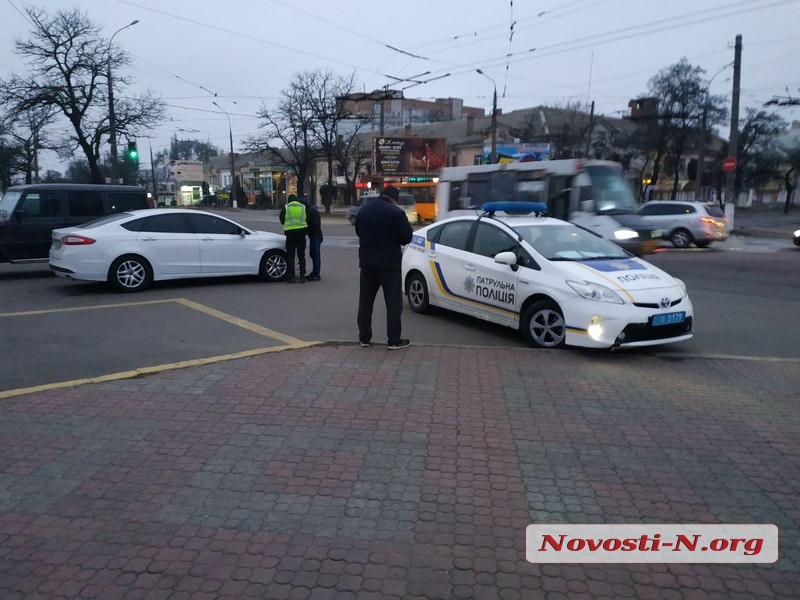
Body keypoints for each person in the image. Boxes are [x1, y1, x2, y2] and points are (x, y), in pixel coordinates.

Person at [355, 185, 414, 350]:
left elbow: (359, 231)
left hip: (367, 264)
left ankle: (364, 338)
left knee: (366, 302)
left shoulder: (364, 211)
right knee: (393, 304)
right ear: (394, 199)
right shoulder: (396, 213)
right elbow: (406, 237)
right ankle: (394, 340)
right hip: (389, 265)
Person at [279, 194, 308, 283]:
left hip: (290, 234)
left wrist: (289, 224)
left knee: (291, 256)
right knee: (301, 255)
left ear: (289, 200)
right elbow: (307, 218)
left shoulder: (286, 207)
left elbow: (282, 220)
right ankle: (302, 276)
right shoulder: (303, 207)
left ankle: (291, 276)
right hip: (301, 233)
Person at [299, 196, 323, 281]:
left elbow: (314, 225)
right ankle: (315, 273)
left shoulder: (311, 211)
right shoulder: (312, 209)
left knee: (315, 254)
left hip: (315, 235)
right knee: (314, 254)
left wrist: (306, 228)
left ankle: (316, 274)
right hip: (315, 235)